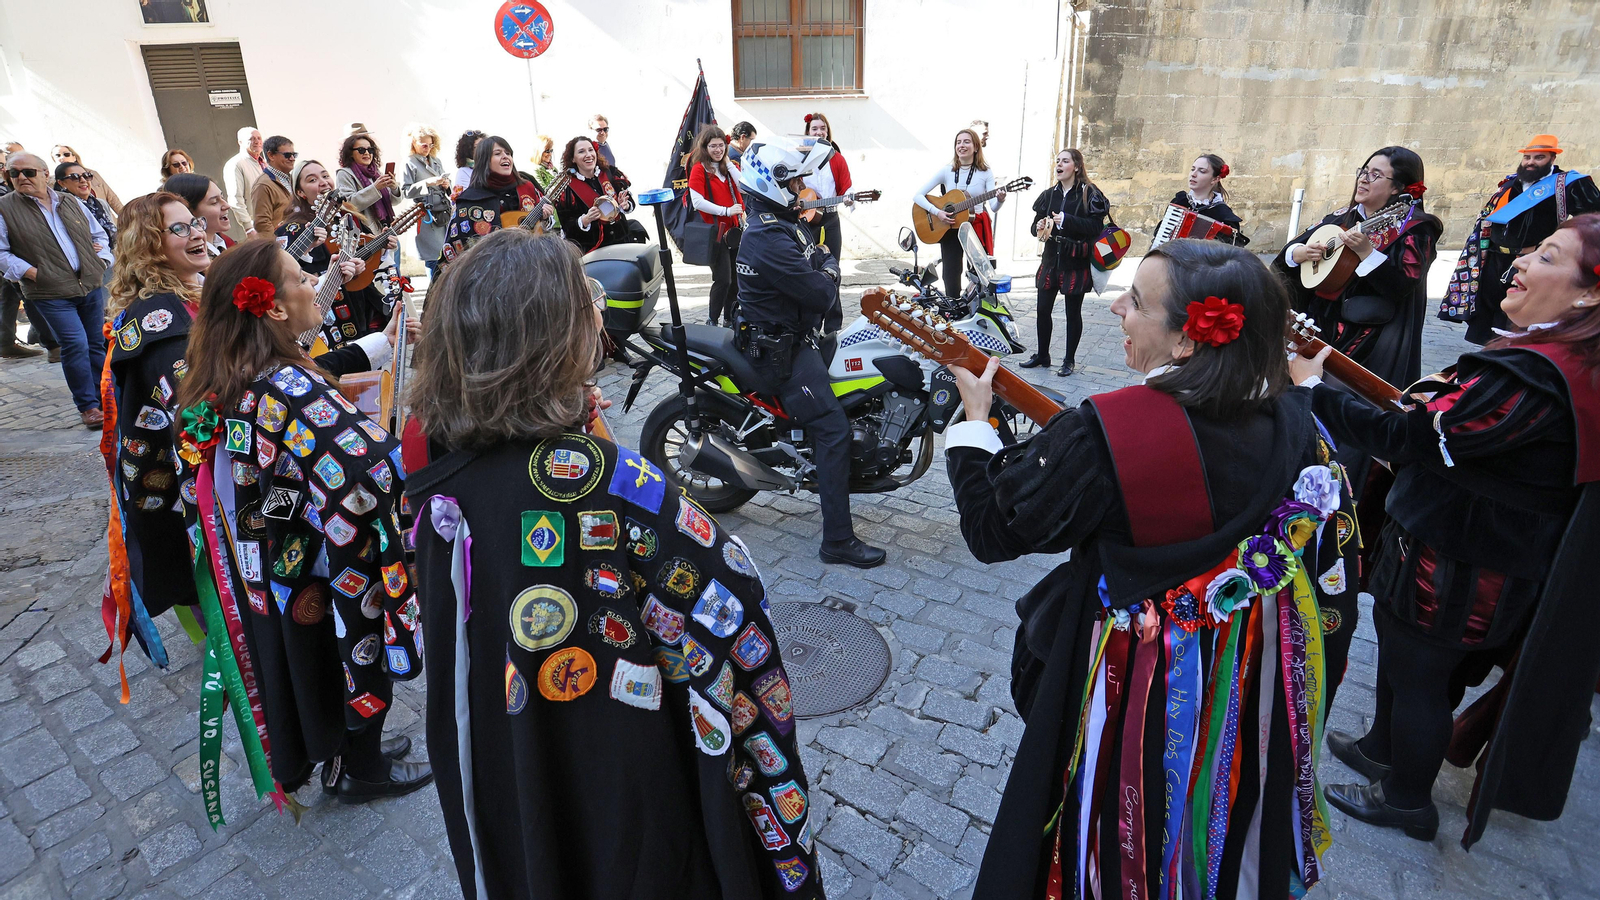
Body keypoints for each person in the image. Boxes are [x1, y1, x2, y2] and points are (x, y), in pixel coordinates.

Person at [407, 227, 821, 899]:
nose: (600, 311)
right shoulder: (606, 479)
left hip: (510, 764)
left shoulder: (446, 486)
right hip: (630, 783)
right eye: (589, 297)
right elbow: (732, 603)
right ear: (553, 334)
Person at [956, 239, 1359, 899]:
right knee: (1213, 816)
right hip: (1239, 687)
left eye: (1137, 301)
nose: (1116, 306)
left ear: (1186, 343)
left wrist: (975, 425)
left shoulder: (1105, 433)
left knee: (1121, 823)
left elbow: (994, 533)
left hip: (1132, 688)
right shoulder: (1300, 422)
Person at [1293, 214, 1600, 847]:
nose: (1518, 262)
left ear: (1589, 292)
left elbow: (1422, 437)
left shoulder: (1537, 374)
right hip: (1444, 534)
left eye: (1547, 256)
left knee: (1423, 671)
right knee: (1401, 650)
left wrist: (1316, 390)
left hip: (1466, 557)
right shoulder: (1550, 355)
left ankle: (1408, 799)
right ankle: (1383, 748)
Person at [170, 238, 431, 804]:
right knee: (355, 653)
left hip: (273, 565)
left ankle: (343, 756)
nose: (314, 282)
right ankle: (361, 770)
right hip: (325, 561)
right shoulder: (288, 385)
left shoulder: (229, 376)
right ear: (276, 308)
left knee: (314, 660)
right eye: (300, 277)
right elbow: (369, 473)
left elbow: (248, 479)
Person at [735, 137, 884, 568]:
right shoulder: (767, 236)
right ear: (772, 182)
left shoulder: (780, 221)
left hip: (798, 337)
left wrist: (824, 263)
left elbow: (819, 255)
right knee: (833, 429)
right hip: (780, 350)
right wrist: (828, 267)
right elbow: (820, 288)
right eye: (796, 178)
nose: (802, 185)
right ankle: (837, 540)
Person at [1277, 147, 1442, 501]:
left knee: (1347, 418)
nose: (1363, 179)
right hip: (1319, 329)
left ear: (1399, 189)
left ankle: (1336, 495)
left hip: (1369, 340)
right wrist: (1299, 253)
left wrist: (1368, 254)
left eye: (1375, 175)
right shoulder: (1341, 217)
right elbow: (1288, 254)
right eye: (1363, 171)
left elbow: (1404, 282)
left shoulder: (1417, 228)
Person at [103, 192, 211, 632]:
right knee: (219, 603)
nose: (198, 233)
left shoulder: (188, 297)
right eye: (180, 228)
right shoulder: (160, 320)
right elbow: (202, 415)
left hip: (195, 487)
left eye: (195, 223)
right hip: (190, 496)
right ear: (149, 244)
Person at [1447, 135, 1600, 345]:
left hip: (1530, 259)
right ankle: (1488, 354)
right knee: (1491, 312)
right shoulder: (1511, 182)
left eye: (1539, 157)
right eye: (1527, 157)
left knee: (1518, 314)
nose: (1530, 162)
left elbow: (1592, 220)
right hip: (1495, 257)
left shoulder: (1570, 184)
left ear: (1552, 158)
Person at [0, 152, 112, 427]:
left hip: (88, 284)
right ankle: (88, 406)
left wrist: (102, 260)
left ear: (45, 173)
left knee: (96, 343)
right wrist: (33, 273)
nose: (21, 178)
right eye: (14, 174)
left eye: (28, 172)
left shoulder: (69, 200)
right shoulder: (5, 208)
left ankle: (106, 398)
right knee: (75, 344)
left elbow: (98, 234)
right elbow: (1, 253)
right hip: (49, 291)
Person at [276, 158, 403, 363]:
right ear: (300, 192)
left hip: (361, 310)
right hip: (323, 320)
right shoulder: (292, 229)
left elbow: (368, 260)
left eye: (325, 176)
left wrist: (382, 250)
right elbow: (282, 278)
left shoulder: (349, 216)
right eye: (312, 179)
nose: (323, 182)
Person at [1021, 148, 1105, 376]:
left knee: (1072, 313)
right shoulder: (1049, 195)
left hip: (1075, 261)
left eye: (1065, 161)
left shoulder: (1090, 193)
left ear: (1076, 166)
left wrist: (1068, 220)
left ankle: (1069, 360)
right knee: (1042, 310)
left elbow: (1096, 228)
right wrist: (1038, 227)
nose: (1059, 165)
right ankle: (1042, 355)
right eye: (1057, 161)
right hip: (1050, 261)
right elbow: (1034, 227)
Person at [914, 128, 1007, 300]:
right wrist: (938, 212)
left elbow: (993, 207)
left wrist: (1000, 199)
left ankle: (976, 309)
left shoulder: (985, 172)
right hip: (949, 226)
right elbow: (918, 196)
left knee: (978, 273)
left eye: (966, 142)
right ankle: (953, 306)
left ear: (976, 147)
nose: (961, 145)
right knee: (950, 273)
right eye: (958, 142)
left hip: (975, 225)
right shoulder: (947, 170)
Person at [439, 136, 551, 267]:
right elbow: (459, 246)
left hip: (532, 264)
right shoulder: (471, 199)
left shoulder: (527, 187)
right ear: (484, 161)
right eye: (498, 153)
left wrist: (544, 217)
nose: (505, 157)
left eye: (508, 153)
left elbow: (540, 229)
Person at [687, 125, 745, 328]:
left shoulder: (728, 168)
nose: (718, 150)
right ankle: (712, 319)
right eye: (713, 146)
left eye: (721, 146)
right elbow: (697, 201)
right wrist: (726, 211)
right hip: (717, 234)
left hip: (735, 233)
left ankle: (729, 319)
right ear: (705, 147)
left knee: (736, 280)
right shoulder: (699, 169)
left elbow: (742, 185)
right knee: (723, 279)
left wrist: (728, 164)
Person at [799, 113, 853, 331]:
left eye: (823, 129)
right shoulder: (800, 157)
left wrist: (849, 196)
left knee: (833, 271)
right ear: (808, 133)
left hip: (829, 218)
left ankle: (833, 326)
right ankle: (809, 323)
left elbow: (847, 186)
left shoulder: (836, 158)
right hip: (804, 222)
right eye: (814, 129)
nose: (819, 132)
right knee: (807, 271)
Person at [551, 136, 641, 252]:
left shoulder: (609, 173)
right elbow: (567, 227)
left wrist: (626, 205)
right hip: (594, 251)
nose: (588, 155)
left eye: (590, 150)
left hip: (623, 242)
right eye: (581, 151)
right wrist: (585, 220)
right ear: (573, 158)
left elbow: (629, 199)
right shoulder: (567, 188)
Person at [1170, 153, 1250, 246]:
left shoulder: (1223, 215)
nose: (1193, 174)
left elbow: (1232, 252)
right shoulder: (1180, 201)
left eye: (1202, 171)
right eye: (1192, 169)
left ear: (1215, 179)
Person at [163, 173, 235, 257]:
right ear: (188, 210)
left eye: (222, 198)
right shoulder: (193, 259)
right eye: (214, 202)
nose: (227, 206)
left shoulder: (227, 243)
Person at [336, 133, 397, 232]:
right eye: (361, 150)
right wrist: (375, 188)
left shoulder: (376, 173)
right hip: (367, 234)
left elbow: (393, 202)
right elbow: (348, 205)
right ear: (350, 153)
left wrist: (394, 188)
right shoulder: (344, 174)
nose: (367, 153)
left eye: (370, 150)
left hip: (388, 230)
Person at [55, 162, 116, 250]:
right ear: (62, 183)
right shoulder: (61, 208)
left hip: (111, 255)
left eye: (86, 175)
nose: (83, 180)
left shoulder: (100, 203)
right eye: (74, 177)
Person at [50, 145, 122, 215]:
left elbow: (112, 198)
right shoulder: (51, 182)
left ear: (74, 157)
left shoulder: (92, 173)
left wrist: (129, 219)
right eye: (57, 155)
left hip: (106, 221)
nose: (62, 157)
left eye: (66, 154)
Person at [249, 135, 297, 236]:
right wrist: (277, 248)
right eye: (287, 155)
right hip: (283, 246)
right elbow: (262, 224)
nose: (292, 158)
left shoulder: (293, 178)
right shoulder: (263, 185)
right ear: (271, 155)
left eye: (294, 155)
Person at [223, 126, 264, 238]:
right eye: (251, 139)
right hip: (256, 227)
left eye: (259, 138)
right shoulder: (235, 164)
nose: (257, 142)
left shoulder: (263, 163)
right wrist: (248, 227)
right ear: (240, 142)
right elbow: (235, 199)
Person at [452, 130, 485, 198]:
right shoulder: (464, 172)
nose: (483, 149)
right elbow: (466, 198)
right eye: (478, 147)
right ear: (468, 150)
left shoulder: (493, 166)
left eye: (484, 145)